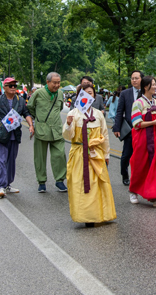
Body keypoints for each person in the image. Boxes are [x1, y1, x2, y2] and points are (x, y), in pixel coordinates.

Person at [63, 83, 116, 227]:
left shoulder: (98, 114)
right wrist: (68, 124)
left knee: (98, 183)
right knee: (80, 184)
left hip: (95, 154)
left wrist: (106, 155)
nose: (88, 95)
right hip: (79, 154)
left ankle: (101, 214)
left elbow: (104, 135)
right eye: (85, 93)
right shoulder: (73, 113)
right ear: (79, 96)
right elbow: (68, 136)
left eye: (91, 93)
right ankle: (85, 215)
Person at [0, 77, 35, 198]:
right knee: (1, 159)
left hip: (14, 135)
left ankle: (8, 184)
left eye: (15, 86)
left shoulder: (20, 100)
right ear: (4, 87)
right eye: (10, 86)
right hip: (0, 135)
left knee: (11, 161)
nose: (13, 88)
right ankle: (1, 186)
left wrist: (31, 125)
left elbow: (26, 113)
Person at [129, 76, 156, 207]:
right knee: (140, 165)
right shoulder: (138, 103)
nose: (154, 86)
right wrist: (153, 123)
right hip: (142, 139)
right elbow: (136, 124)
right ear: (145, 87)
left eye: (155, 84)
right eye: (152, 84)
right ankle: (133, 191)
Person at [27, 72, 67, 193]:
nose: (57, 85)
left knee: (60, 155)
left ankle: (60, 180)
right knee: (40, 157)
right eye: (54, 83)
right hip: (41, 129)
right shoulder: (38, 93)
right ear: (48, 82)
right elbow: (30, 107)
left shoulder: (60, 93)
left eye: (59, 82)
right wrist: (38, 120)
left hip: (56, 129)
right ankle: (41, 182)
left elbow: (59, 108)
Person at [113, 70, 143, 185]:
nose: (134, 80)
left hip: (143, 128)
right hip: (130, 129)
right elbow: (119, 111)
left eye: (136, 78)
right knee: (126, 154)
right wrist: (116, 127)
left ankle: (140, 177)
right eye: (132, 78)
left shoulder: (146, 92)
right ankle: (124, 175)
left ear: (142, 79)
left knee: (141, 155)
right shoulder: (125, 93)